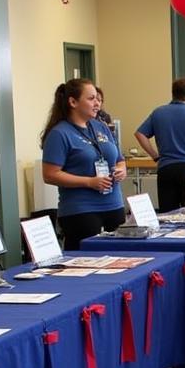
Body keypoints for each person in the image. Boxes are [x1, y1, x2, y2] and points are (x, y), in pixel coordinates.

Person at [41, 78, 126, 250]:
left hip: (114, 205)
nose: (97, 103)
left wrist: (121, 170)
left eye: (98, 99)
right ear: (73, 102)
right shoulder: (60, 133)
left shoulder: (101, 127)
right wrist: (88, 182)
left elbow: (120, 159)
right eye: (91, 99)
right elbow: (50, 175)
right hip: (81, 210)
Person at [134, 77, 185, 212]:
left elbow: (140, 134)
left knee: (168, 215)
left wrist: (155, 156)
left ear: (173, 93)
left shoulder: (158, 113)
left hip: (167, 169)